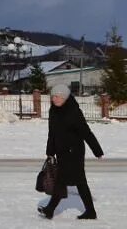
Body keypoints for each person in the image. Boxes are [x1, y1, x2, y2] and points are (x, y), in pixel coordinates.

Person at [38, 84, 103, 220]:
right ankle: (89, 212)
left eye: (58, 97)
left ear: (65, 97)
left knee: (76, 181)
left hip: (75, 152)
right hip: (62, 151)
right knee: (65, 181)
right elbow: (52, 133)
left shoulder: (73, 111)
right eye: (53, 97)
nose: (54, 99)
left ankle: (52, 210)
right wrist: (50, 151)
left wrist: (97, 150)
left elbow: (86, 132)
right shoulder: (53, 111)